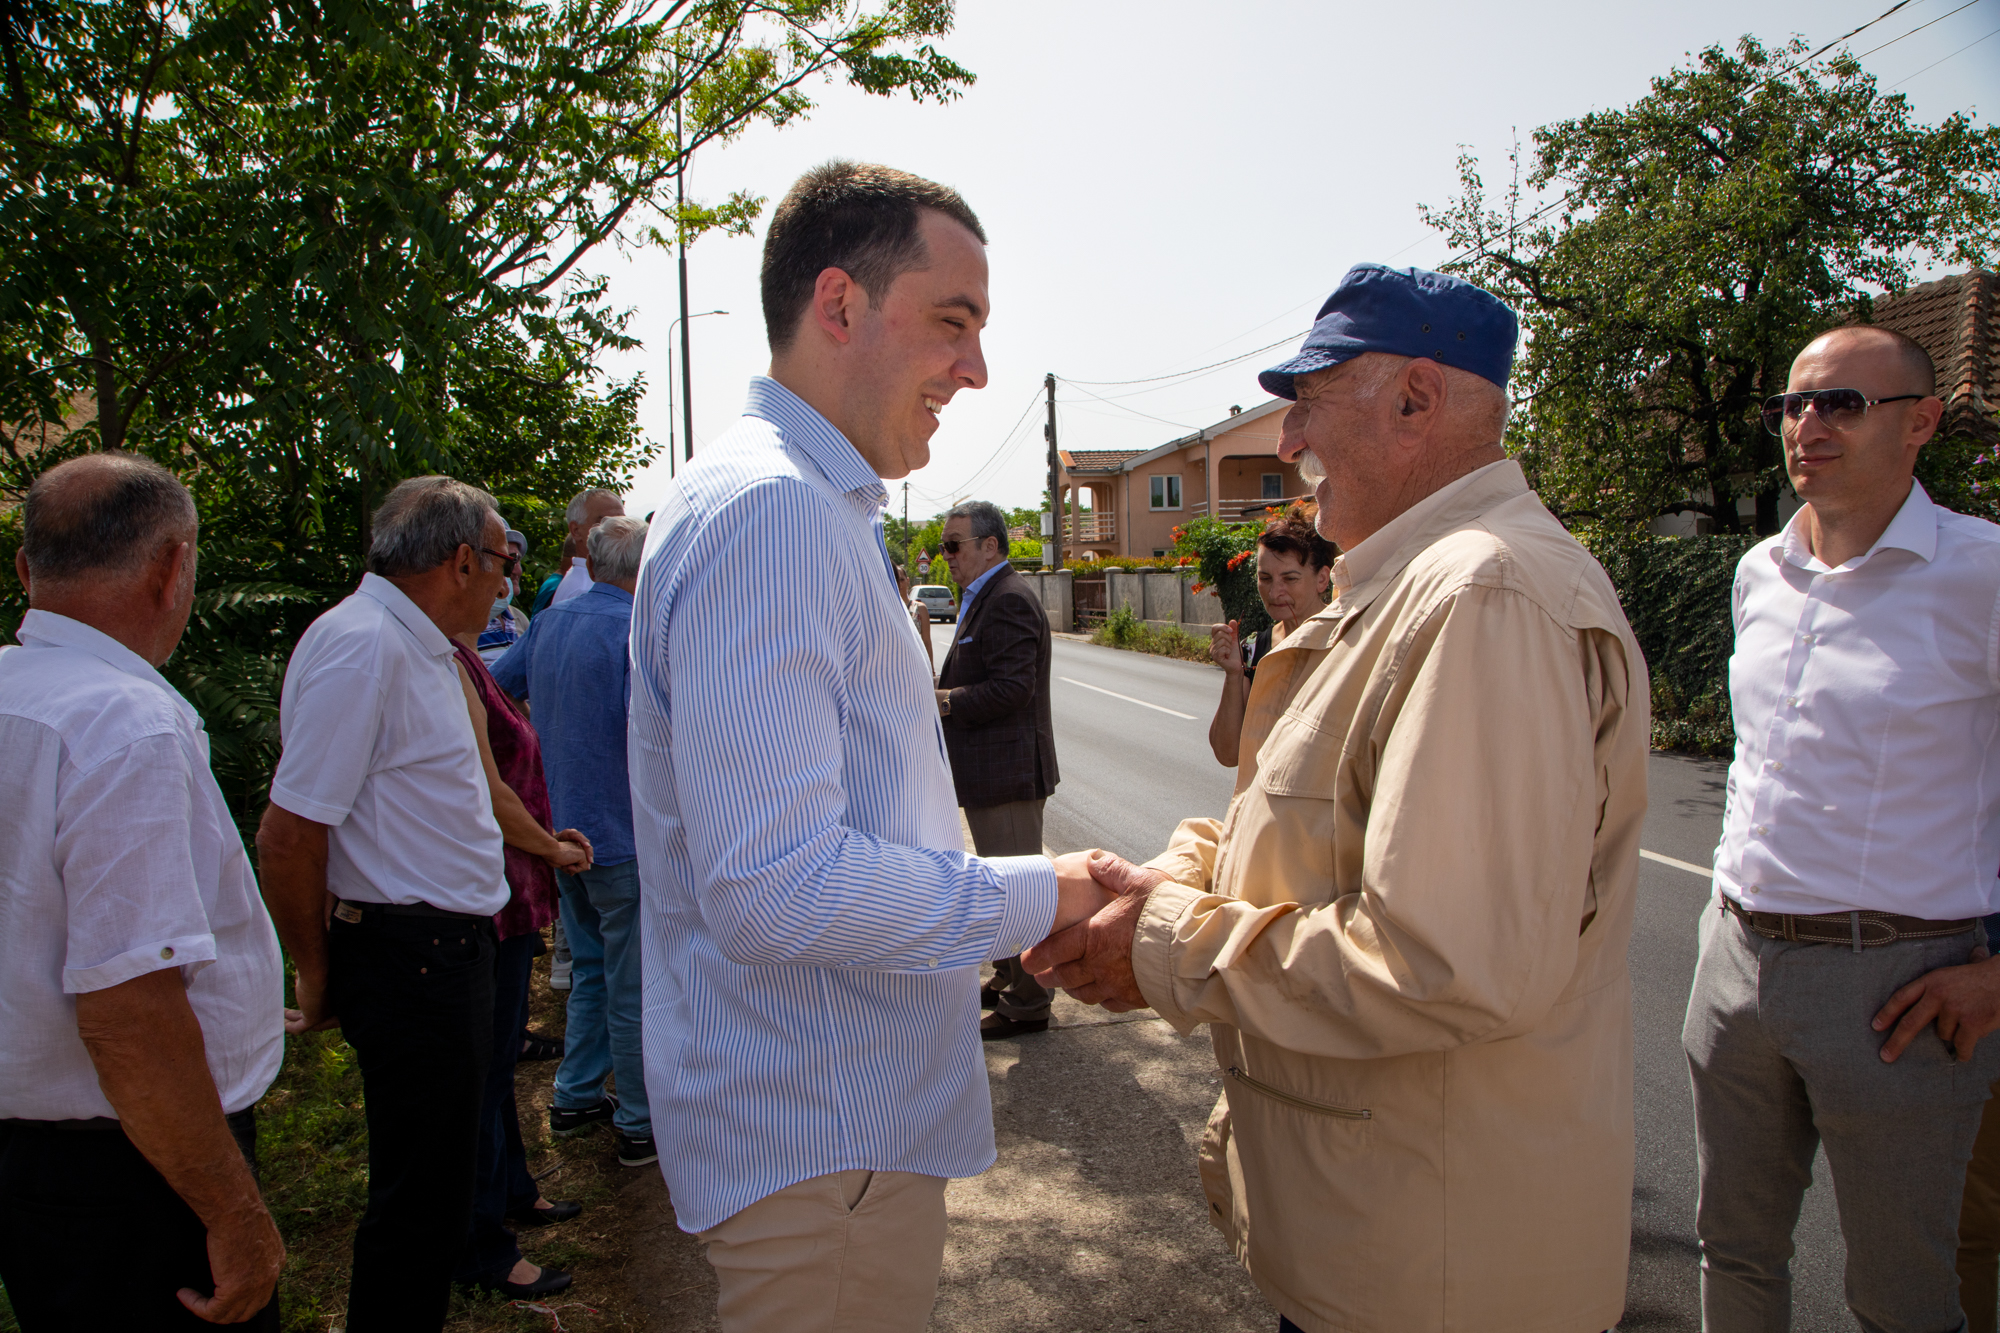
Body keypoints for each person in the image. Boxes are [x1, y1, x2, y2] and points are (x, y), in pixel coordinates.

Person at [1026, 263, 1650, 1333]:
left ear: (1415, 398)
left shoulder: (1481, 596)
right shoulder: (1413, 587)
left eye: (1306, 401)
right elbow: (1287, 817)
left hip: (1439, 1275)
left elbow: (1436, 963)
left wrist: (1157, 941)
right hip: (1386, 1243)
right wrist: (1169, 879)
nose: (1286, 441)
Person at [627, 160, 1111, 1332]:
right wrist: (1035, 895)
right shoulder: (775, 514)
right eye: (953, 323)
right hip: (821, 1141)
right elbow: (773, 887)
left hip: (826, 1136)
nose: (976, 369)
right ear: (838, 305)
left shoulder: (794, 503)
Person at [1682, 323, 2000, 1333]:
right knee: (1731, 1251)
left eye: (1840, 404)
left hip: (1900, 985)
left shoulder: (1981, 573)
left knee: (1899, 1295)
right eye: (1791, 403)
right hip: (1734, 963)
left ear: (1920, 423)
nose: (1806, 424)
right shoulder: (1755, 574)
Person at [0, 453, 286, 1330]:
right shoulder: (125, 724)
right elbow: (131, 1008)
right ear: (173, 566)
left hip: (36, 1166)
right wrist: (233, 1215)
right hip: (136, 1173)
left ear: (26, 570)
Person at [256, 475, 514, 1331]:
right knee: (417, 1206)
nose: (506, 579)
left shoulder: (416, 642)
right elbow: (291, 834)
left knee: (434, 1196)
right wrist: (316, 972)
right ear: (461, 559)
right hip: (410, 959)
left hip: (438, 955)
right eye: (502, 560)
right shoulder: (365, 644)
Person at [493, 514, 656, 1168]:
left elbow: (494, 691)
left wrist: (536, 754)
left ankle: (575, 1091)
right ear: (640, 569)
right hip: (620, 835)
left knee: (590, 965)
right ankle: (640, 1121)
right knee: (632, 981)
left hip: (560, 832)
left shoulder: (550, 623)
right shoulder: (632, 634)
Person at [448, 623, 593, 1299]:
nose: (504, 573)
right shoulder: (438, 664)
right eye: (496, 557)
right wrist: (550, 847)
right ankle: (483, 1238)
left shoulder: (464, 660)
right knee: (480, 1070)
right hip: (488, 891)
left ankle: (511, 1190)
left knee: (500, 1058)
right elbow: (489, 787)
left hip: (505, 887)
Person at [935, 498, 1062, 1040]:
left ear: (990, 546)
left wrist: (941, 700)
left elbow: (1013, 689)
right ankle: (1011, 976)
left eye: (953, 546)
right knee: (1001, 887)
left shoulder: (1006, 599)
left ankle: (1029, 1002)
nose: (946, 557)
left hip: (1008, 774)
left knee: (1017, 894)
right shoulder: (984, 595)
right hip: (992, 773)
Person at [1206, 503, 1333, 767]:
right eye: (1265, 578)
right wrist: (1234, 674)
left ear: (1322, 578)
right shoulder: (1252, 651)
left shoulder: (1344, 643)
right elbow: (1228, 755)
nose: (1274, 593)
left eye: (1290, 579)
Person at [544, 489, 624, 610]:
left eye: (622, 521)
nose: (619, 529)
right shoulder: (585, 590)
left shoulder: (585, 581)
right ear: (576, 530)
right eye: (605, 522)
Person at [476, 526, 532, 665]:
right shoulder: (463, 623)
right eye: (507, 561)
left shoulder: (519, 619)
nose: (517, 570)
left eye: (517, 560)